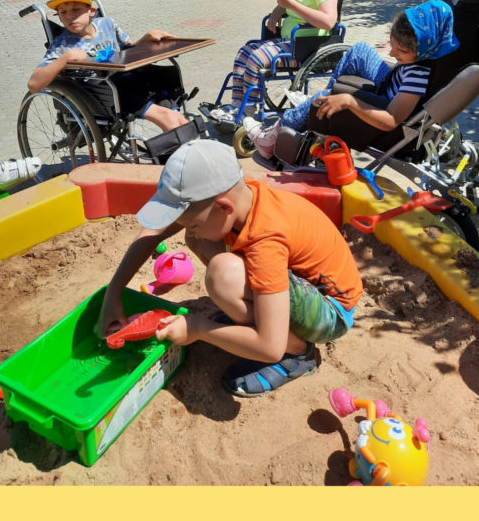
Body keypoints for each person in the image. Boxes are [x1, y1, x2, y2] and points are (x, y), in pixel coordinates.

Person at [97, 139, 363, 397]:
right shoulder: (239, 197)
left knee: (223, 275)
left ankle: (298, 353)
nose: (188, 230)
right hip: (303, 285)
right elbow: (152, 233)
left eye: (193, 222)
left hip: (331, 312)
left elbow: (270, 348)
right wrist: (114, 292)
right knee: (201, 241)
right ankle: (255, 319)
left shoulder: (265, 239)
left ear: (224, 207)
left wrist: (198, 328)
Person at [244, 0, 459, 158]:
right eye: (392, 46)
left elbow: (391, 121)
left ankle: (269, 139)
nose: (392, 54)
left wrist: (349, 101)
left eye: (400, 51)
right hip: (390, 81)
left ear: (422, 50)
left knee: (331, 96)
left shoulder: (418, 75)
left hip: (385, 102)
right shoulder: (430, 48)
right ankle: (319, 103)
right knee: (360, 50)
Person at [28, 0, 189, 132]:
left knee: (178, 118)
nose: (69, 16)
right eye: (63, 12)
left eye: (76, 10)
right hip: (107, 94)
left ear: (91, 10)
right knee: (168, 117)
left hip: (132, 81)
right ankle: (182, 158)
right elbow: (34, 84)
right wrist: (64, 59)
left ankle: (188, 154)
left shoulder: (107, 24)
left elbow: (128, 51)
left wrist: (146, 39)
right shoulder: (62, 45)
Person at [210, 0, 339, 126]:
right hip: (288, 42)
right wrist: (278, 10)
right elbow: (290, 6)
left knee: (256, 57)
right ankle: (237, 104)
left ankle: (247, 109)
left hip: (308, 49)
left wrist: (290, 4)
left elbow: (328, 21)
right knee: (244, 52)